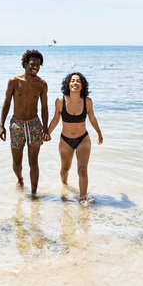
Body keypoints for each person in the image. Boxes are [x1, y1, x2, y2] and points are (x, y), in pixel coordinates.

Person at [46, 72, 103, 201]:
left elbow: (92, 118)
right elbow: (55, 119)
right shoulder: (60, 101)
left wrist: (99, 132)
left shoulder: (87, 102)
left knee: (82, 170)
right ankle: (64, 188)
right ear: (68, 84)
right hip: (65, 140)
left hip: (83, 138)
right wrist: (47, 132)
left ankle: (83, 199)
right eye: (72, 81)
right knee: (65, 169)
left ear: (82, 85)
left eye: (78, 81)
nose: (75, 83)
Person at [0, 49, 49, 194]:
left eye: (38, 65)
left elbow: (44, 107)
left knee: (34, 162)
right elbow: (7, 102)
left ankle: (34, 194)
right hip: (17, 124)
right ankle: (20, 179)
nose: (35, 67)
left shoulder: (42, 84)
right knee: (17, 163)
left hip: (34, 124)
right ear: (25, 63)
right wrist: (1, 125)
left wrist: (45, 129)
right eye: (32, 64)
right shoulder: (14, 81)